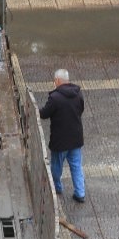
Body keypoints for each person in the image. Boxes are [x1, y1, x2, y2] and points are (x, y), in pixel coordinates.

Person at [40, 69, 86, 203]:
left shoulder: (55, 98)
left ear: (58, 81)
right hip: (76, 138)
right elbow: (80, 110)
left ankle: (57, 188)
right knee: (76, 166)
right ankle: (80, 193)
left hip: (60, 141)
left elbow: (44, 114)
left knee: (56, 167)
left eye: (54, 80)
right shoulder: (78, 94)